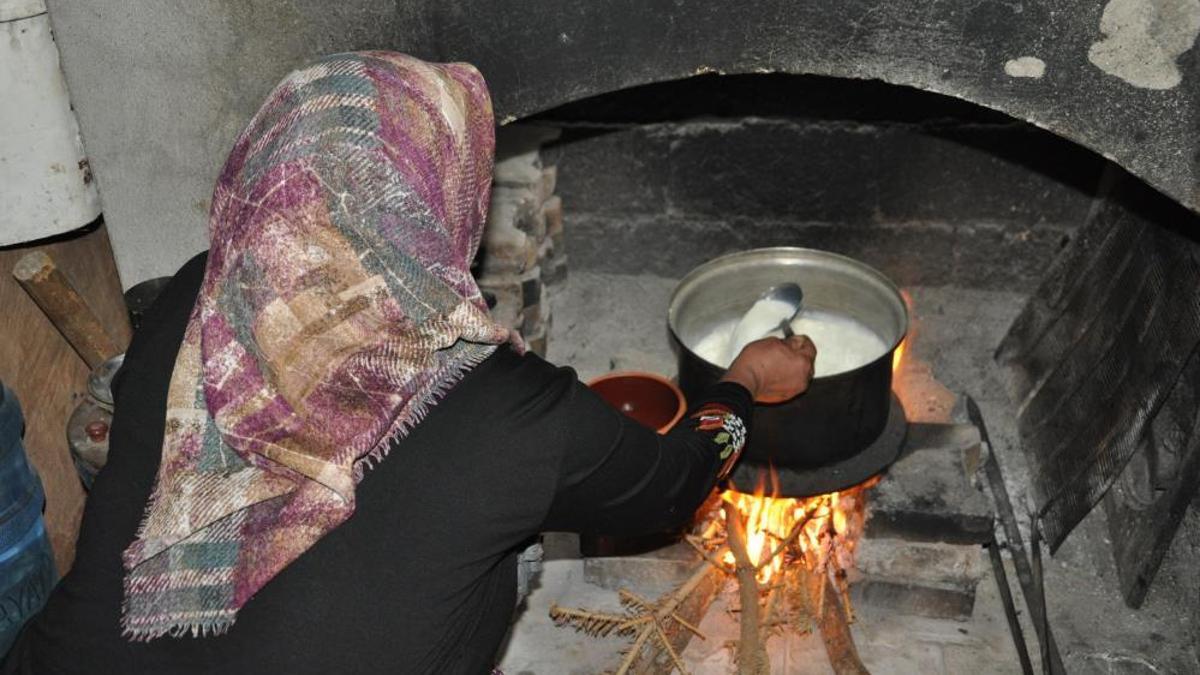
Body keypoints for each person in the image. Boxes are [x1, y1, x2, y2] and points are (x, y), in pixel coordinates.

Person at [1, 52, 815, 674]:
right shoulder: (508, 411)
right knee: (497, 551)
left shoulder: (199, 295)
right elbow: (673, 483)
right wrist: (743, 381)